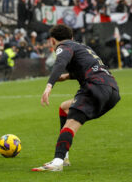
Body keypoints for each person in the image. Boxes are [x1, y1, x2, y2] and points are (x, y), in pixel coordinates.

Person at [32, 24, 120, 172]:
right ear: (72, 37)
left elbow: (60, 62)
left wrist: (49, 86)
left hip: (94, 88)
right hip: (112, 91)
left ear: (53, 41)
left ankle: (57, 162)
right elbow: (90, 67)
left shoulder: (64, 46)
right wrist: (67, 77)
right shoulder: (82, 47)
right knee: (64, 108)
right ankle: (64, 156)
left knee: (71, 124)